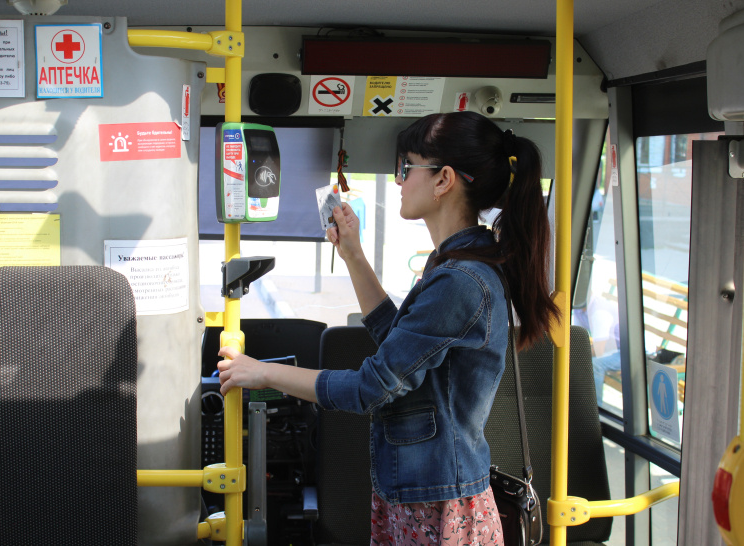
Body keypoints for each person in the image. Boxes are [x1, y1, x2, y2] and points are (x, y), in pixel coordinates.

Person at [217, 111, 559, 545]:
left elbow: (370, 386)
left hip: (440, 508)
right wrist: (354, 255)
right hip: (426, 497)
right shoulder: (456, 265)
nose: (399, 181)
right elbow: (401, 342)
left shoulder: (460, 281)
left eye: (406, 167)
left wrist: (260, 372)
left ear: (443, 180)